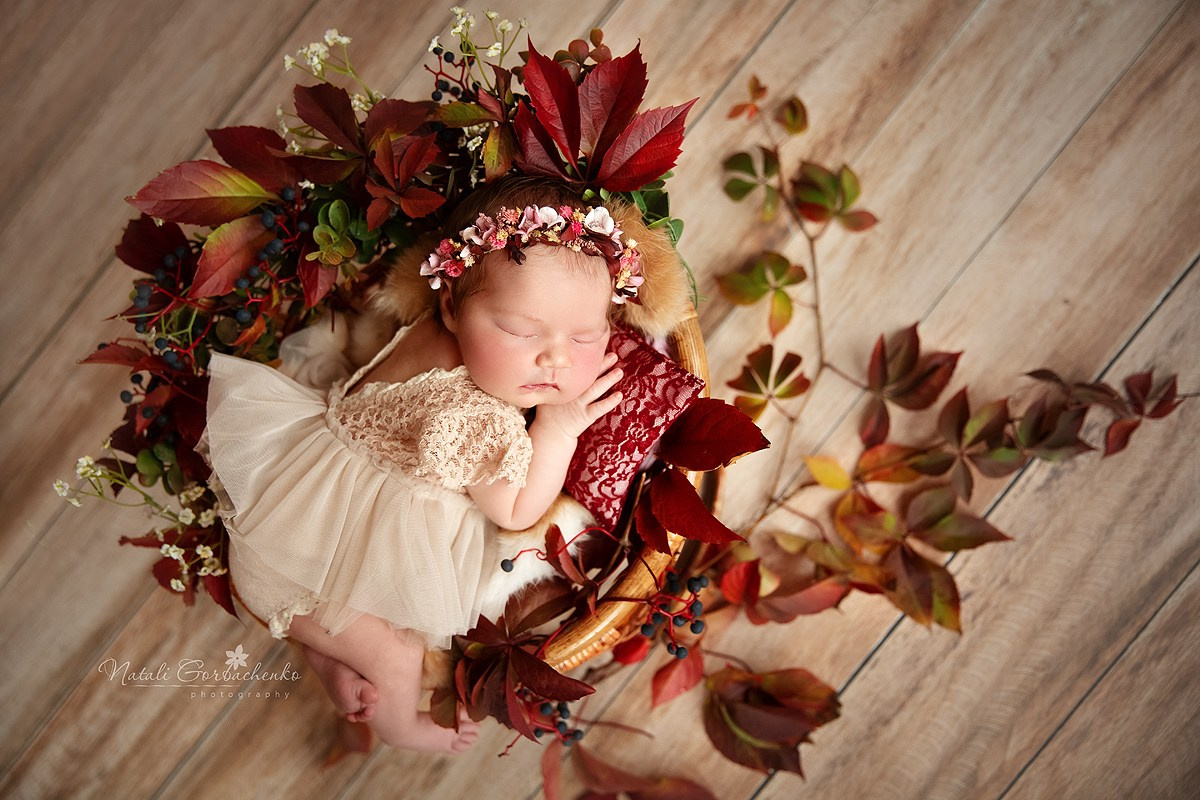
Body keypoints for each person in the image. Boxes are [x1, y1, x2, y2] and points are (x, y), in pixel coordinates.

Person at [202, 177, 641, 753]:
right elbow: (516, 510)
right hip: (300, 566)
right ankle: (400, 725)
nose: (555, 357)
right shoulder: (473, 415)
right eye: (518, 330)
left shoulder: (425, 333)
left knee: (356, 626)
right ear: (451, 306)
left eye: (586, 337)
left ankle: (329, 652)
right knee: (402, 650)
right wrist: (557, 430)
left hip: (288, 537)